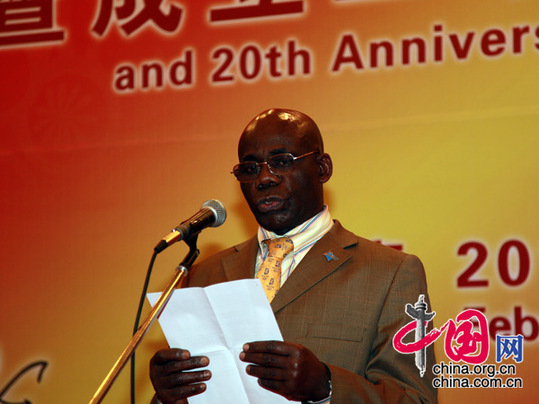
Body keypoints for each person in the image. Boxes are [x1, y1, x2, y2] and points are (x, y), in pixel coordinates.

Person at [149, 108, 437, 403]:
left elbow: (416, 399)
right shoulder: (204, 273)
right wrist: (168, 397)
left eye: (281, 162)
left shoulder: (391, 273)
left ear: (322, 168)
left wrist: (325, 385)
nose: (264, 179)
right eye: (249, 169)